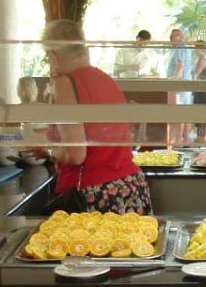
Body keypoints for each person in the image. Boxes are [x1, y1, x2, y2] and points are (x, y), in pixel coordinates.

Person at [41, 19, 153, 214]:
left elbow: (75, 155)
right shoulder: (105, 78)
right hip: (130, 186)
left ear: (53, 56)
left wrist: (48, 150)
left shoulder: (64, 84)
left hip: (95, 193)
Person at [166, 27, 193, 144]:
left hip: (179, 86)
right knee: (185, 113)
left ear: (181, 37)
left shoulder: (180, 47)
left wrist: (173, 81)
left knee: (179, 113)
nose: (173, 38)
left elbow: (180, 66)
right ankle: (185, 139)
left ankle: (177, 140)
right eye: (172, 36)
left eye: (176, 35)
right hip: (184, 85)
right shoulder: (183, 48)